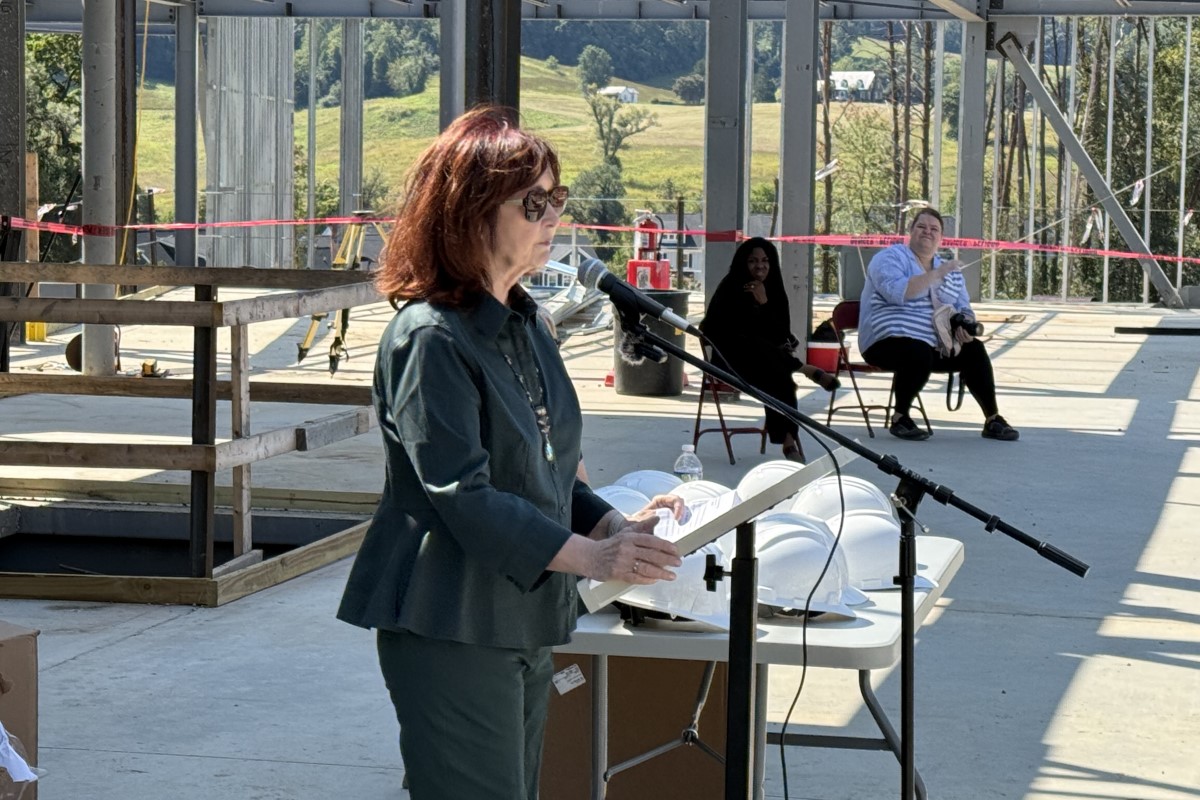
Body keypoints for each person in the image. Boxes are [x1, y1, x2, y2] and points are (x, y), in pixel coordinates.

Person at [336, 105, 683, 800]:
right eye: (534, 202)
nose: (554, 215)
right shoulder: (429, 337)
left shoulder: (526, 323)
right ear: (472, 212)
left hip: (520, 617)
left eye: (558, 199)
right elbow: (463, 493)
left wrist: (611, 526)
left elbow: (546, 471)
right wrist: (591, 558)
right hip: (453, 621)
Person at [857, 207, 1019, 441]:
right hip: (885, 343)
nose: (927, 232)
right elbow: (899, 293)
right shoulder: (889, 258)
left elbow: (964, 307)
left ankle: (993, 419)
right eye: (921, 227)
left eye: (934, 229)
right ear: (910, 231)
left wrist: (966, 326)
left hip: (936, 344)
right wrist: (935, 275)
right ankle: (900, 417)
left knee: (974, 349)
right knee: (917, 350)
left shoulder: (951, 272)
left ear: (941, 238)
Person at [699, 236, 840, 461]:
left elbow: (780, 334)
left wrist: (764, 303)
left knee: (780, 379)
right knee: (760, 350)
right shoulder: (730, 287)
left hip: (769, 362)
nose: (760, 266)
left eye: (765, 260)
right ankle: (803, 369)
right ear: (743, 263)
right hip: (731, 360)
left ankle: (788, 442)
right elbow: (717, 331)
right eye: (753, 261)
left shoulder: (774, 289)